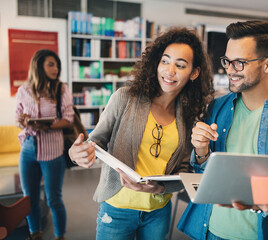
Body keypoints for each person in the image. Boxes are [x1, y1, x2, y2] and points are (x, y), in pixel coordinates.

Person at [68, 27, 214, 240]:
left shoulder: (189, 117)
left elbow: (184, 171)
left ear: (194, 73)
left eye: (180, 65)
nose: (169, 70)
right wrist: (76, 153)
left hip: (158, 211)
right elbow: (95, 141)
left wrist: (160, 187)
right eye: (165, 61)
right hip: (117, 208)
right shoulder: (125, 98)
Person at [177, 20, 268, 240]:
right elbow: (202, 173)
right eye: (227, 61)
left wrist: (255, 199)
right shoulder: (218, 106)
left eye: (239, 62)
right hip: (208, 230)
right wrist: (201, 149)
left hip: (256, 234)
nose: (229, 70)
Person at [16, 49, 74, 240]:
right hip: (28, 148)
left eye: (57, 65)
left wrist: (46, 125)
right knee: (29, 197)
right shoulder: (23, 90)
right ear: (38, 65)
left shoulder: (61, 89)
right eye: (51, 64)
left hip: (53, 150)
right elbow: (18, 119)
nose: (56, 68)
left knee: (54, 199)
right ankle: (35, 233)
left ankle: (60, 236)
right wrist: (23, 120)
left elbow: (68, 119)